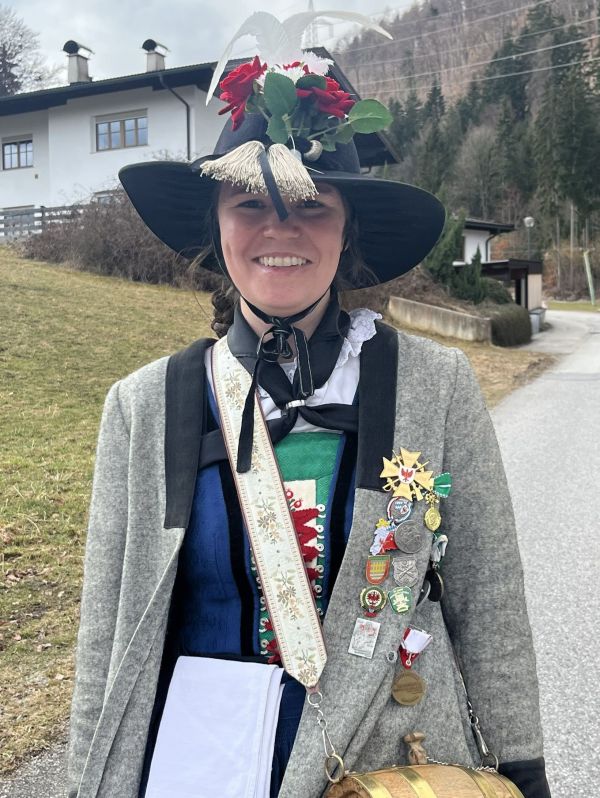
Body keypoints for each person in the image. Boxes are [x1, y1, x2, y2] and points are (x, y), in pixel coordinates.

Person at [66, 43, 552, 798]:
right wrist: (85, 781)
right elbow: (107, 631)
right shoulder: (141, 407)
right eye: (250, 204)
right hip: (201, 768)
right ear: (216, 226)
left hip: (388, 762)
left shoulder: (436, 384)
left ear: (348, 230)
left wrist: (522, 766)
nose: (280, 230)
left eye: (312, 205)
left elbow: (488, 599)